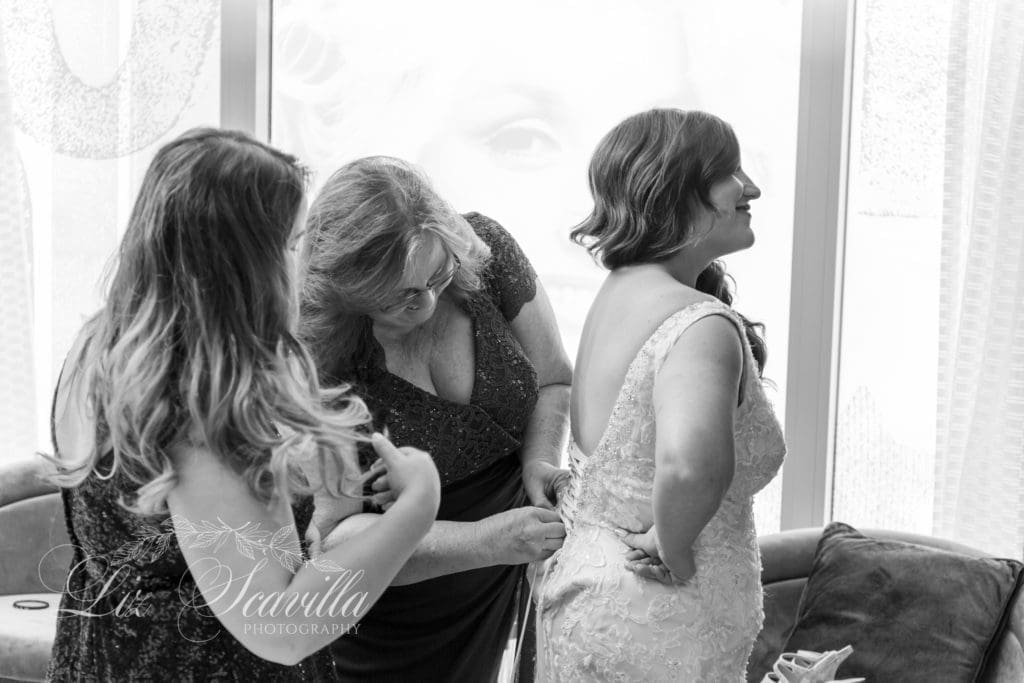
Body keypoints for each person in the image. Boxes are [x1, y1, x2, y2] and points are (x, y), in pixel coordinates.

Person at [45, 128, 441, 681]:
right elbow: (280, 627)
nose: (299, 266)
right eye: (292, 243)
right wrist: (416, 508)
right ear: (247, 264)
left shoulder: (104, 346)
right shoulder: (201, 412)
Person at [533, 109, 787, 681]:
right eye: (730, 172)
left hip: (586, 595)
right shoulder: (700, 323)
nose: (750, 188)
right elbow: (692, 466)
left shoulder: (618, 292)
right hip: (657, 621)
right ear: (675, 191)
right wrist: (673, 543)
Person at [299, 156, 572, 681]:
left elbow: (554, 379)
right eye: (400, 296)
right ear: (349, 289)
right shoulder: (318, 353)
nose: (426, 302)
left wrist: (539, 461)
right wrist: (485, 542)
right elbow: (334, 538)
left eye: (439, 275)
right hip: (391, 610)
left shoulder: (489, 252)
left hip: (505, 568)